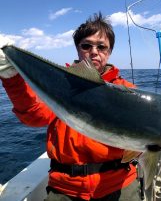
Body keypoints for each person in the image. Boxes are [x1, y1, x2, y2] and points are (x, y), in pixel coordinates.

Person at [0, 12, 141, 201]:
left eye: (102, 47)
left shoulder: (128, 91)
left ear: (109, 52)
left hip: (118, 184)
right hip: (65, 188)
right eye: (86, 45)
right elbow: (34, 116)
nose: (94, 51)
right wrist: (12, 78)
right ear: (77, 48)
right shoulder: (60, 84)